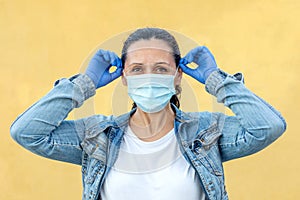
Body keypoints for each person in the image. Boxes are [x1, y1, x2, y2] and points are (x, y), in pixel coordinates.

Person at [10, 28, 286, 200]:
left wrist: (215, 79)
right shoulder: (97, 137)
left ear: (179, 76)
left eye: (162, 69)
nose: (150, 77)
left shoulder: (206, 133)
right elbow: (27, 132)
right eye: (138, 69)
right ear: (124, 77)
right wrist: (85, 83)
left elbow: (268, 127)